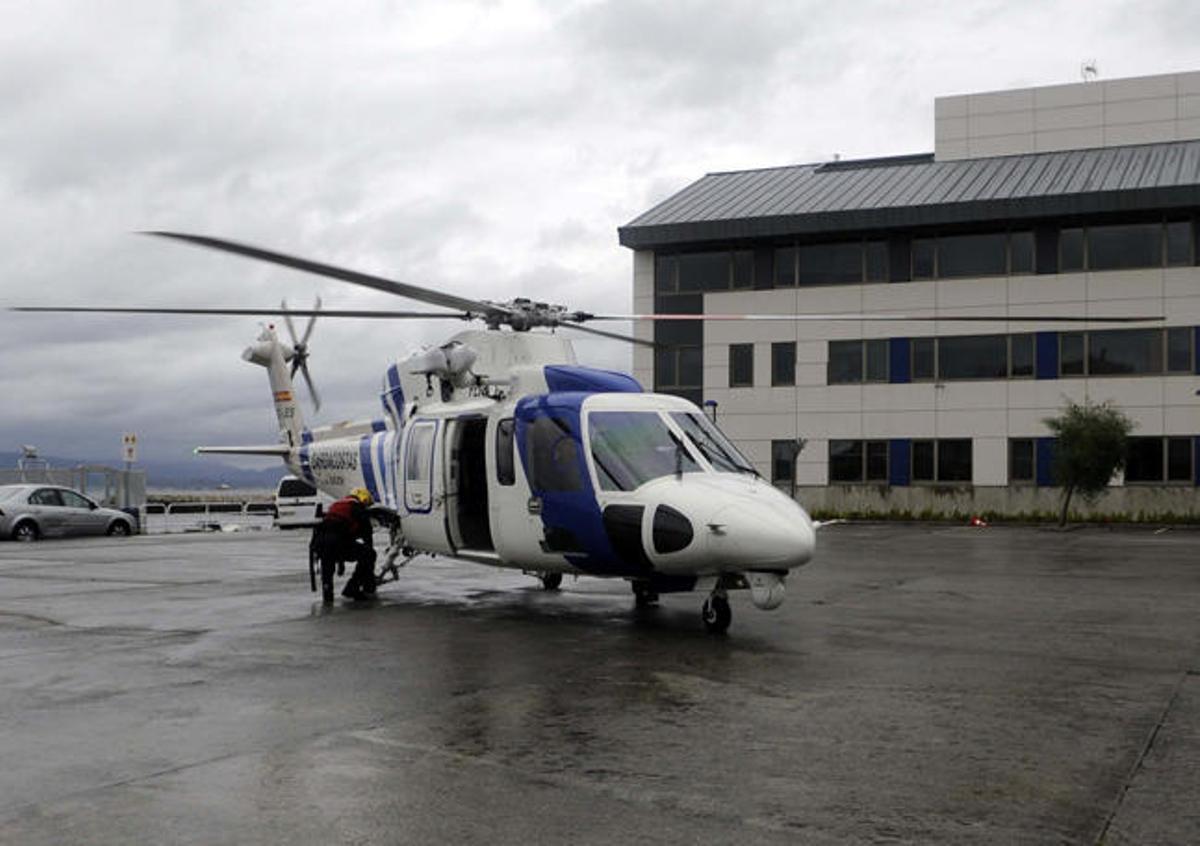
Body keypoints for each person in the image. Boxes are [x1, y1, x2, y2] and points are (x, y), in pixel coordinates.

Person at [313, 487, 377, 602]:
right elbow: (367, 536)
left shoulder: (337, 505)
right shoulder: (358, 508)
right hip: (336, 542)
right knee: (369, 555)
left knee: (327, 572)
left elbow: (336, 527)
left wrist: (340, 562)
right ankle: (352, 588)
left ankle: (327, 597)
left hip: (320, 542)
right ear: (364, 499)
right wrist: (370, 577)